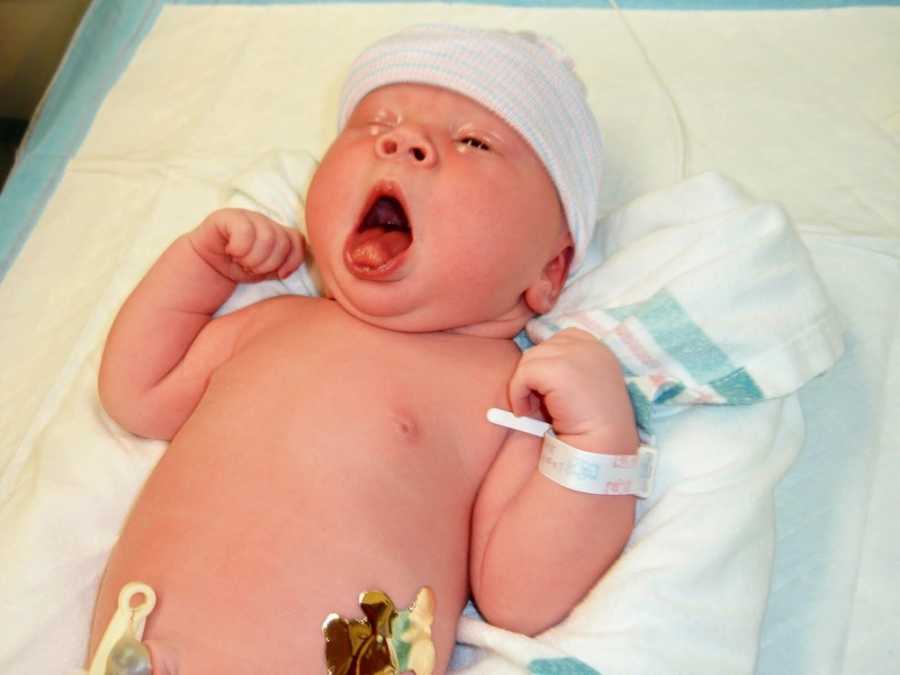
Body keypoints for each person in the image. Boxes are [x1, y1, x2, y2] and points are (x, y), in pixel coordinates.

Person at [86, 24, 639, 675]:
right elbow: (137, 395)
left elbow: (523, 594)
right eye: (378, 121)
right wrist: (200, 266)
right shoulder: (272, 322)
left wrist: (597, 439)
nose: (402, 141)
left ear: (550, 270)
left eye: (473, 141)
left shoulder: (505, 389)